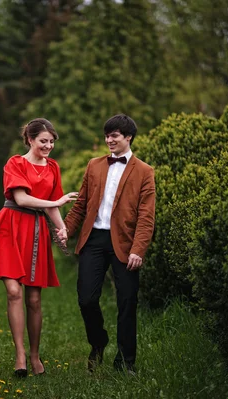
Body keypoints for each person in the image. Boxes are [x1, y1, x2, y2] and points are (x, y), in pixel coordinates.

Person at [58, 114, 155, 374]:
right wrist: (66, 229)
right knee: (86, 299)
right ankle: (98, 342)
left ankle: (126, 362)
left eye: (114, 135)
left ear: (128, 137)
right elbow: (80, 205)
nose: (109, 140)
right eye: (107, 135)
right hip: (94, 240)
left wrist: (138, 249)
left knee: (127, 301)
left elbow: (147, 216)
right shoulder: (94, 165)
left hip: (125, 242)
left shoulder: (145, 172)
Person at [0, 118, 78, 378]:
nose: (48, 146)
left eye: (51, 142)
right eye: (43, 141)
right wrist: (55, 200)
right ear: (30, 140)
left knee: (34, 299)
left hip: (36, 231)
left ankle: (35, 356)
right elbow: (21, 198)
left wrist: (62, 229)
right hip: (11, 227)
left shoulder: (53, 167)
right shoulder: (15, 163)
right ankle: (20, 355)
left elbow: (52, 206)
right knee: (13, 291)